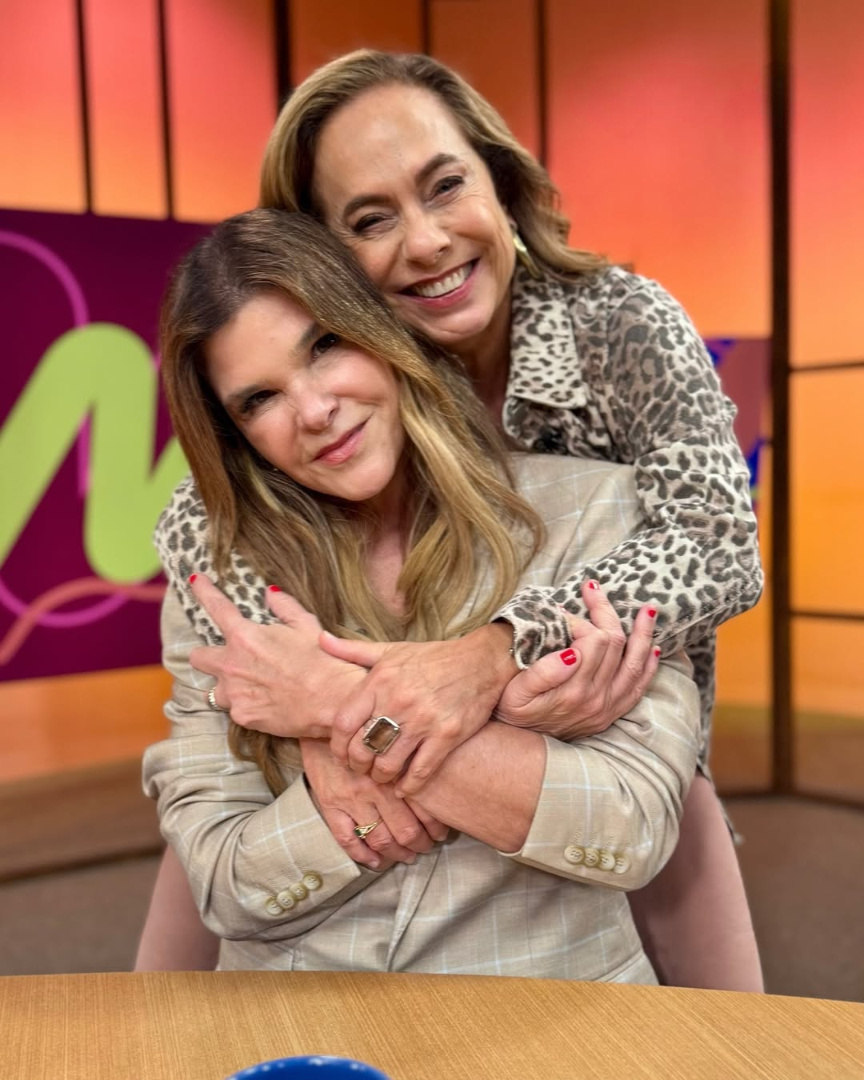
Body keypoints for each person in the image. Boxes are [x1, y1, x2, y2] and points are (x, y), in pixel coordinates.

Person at [137, 50, 763, 989]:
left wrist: (490, 658)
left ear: (498, 178)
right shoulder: (324, 380)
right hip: (347, 769)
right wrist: (302, 705)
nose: (426, 242)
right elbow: (209, 523)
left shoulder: (613, 324)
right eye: (370, 220)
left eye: (444, 187)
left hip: (597, 701)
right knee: (174, 969)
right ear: (324, 259)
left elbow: (715, 544)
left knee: (724, 1018)